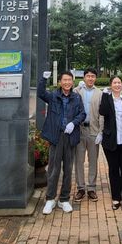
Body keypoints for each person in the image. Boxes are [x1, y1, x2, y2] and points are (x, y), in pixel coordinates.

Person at [37, 70, 86, 215]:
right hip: (56, 136)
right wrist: (43, 79)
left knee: (68, 170)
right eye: (64, 80)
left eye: (69, 80)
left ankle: (64, 199)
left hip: (70, 137)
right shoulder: (53, 96)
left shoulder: (76, 97)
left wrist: (74, 123)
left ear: (73, 82)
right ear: (60, 82)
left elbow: (82, 114)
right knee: (53, 169)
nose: (67, 82)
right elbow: (40, 93)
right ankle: (50, 199)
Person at [99, 76, 122, 210]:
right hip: (111, 142)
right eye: (114, 82)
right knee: (114, 170)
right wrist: (104, 96)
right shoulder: (107, 99)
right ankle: (116, 198)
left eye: (119, 82)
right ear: (111, 85)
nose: (117, 84)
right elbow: (102, 111)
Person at [73, 68, 104, 202]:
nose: (90, 78)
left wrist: (101, 131)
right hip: (79, 130)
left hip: (93, 131)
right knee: (79, 161)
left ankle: (91, 188)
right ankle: (80, 188)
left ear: (95, 78)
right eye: (88, 76)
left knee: (93, 160)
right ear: (84, 78)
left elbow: (102, 114)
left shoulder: (100, 93)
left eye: (93, 76)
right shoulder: (77, 91)